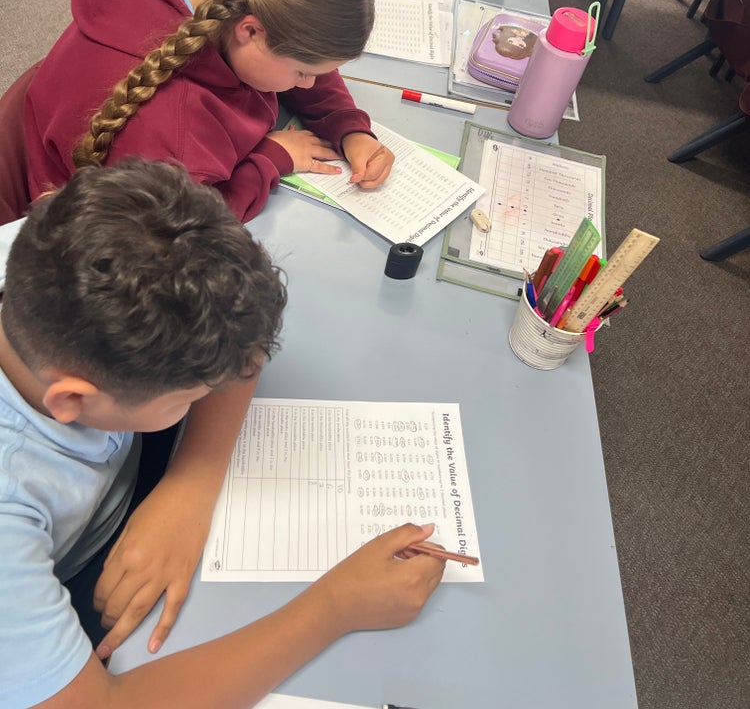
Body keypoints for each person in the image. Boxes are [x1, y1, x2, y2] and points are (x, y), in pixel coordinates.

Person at [0, 158, 445, 708]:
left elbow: (243, 347)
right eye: (189, 398)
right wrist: (333, 608)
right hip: (64, 590)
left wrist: (191, 486)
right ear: (72, 400)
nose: (215, 392)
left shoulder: (45, 247)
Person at [24, 0, 395, 222]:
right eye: (302, 72)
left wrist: (348, 126)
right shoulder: (169, 123)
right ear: (250, 31)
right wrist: (271, 159)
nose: (309, 84)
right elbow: (187, 227)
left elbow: (302, 48)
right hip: (118, 231)